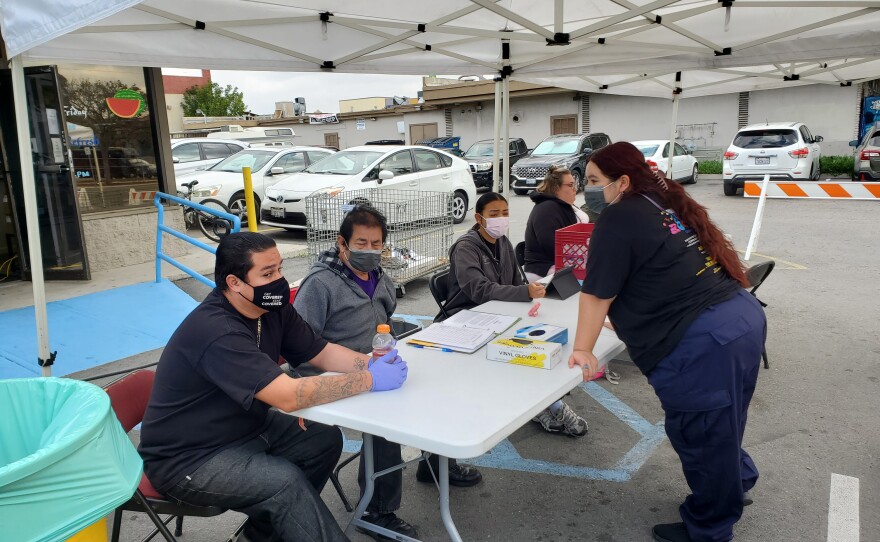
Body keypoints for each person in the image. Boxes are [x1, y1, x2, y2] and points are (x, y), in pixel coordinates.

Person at [139, 232, 408, 542]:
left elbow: (319, 351)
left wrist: (369, 363)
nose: (279, 280)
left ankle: (260, 536)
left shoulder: (271, 308)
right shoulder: (216, 330)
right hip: (188, 458)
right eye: (267, 274)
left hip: (244, 427)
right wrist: (371, 380)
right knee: (284, 483)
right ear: (234, 282)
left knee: (324, 439)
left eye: (279, 268)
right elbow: (288, 396)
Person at [568, 142, 766, 542]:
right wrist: (629, 319)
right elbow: (656, 273)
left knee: (700, 434)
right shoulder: (661, 201)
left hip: (703, 341)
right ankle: (737, 480)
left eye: (592, 181)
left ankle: (709, 526)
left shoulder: (619, 216)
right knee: (723, 422)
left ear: (621, 182)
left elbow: (596, 293)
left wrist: (583, 348)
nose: (585, 189)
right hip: (741, 318)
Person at [294, 206, 420, 540]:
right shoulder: (319, 284)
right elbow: (300, 346)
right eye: (360, 242)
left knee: (425, 396)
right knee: (387, 422)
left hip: (376, 368)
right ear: (342, 243)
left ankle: (437, 465)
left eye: (376, 243)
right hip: (332, 376)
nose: (369, 250)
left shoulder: (380, 277)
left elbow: (387, 321)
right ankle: (378, 511)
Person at [523, 165, 589, 283]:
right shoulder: (546, 209)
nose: (575, 189)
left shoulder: (564, 206)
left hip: (563, 263)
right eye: (570, 185)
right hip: (543, 269)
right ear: (555, 188)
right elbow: (552, 245)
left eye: (574, 184)